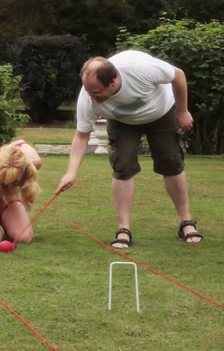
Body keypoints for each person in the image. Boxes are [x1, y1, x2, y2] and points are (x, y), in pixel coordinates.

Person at [56, 50, 203, 248]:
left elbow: (178, 75)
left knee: (171, 163)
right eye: (89, 92)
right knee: (122, 167)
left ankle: (186, 222)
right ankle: (123, 229)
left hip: (161, 112)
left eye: (96, 93)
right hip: (121, 121)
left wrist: (182, 111)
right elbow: (81, 136)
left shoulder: (141, 70)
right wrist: (71, 172)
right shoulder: (87, 98)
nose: (91, 97)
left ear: (113, 81)